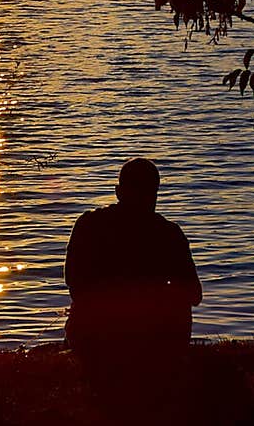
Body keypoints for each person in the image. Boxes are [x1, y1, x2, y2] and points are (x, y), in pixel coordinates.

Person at [64, 158, 202, 370]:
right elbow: (194, 295)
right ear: (155, 193)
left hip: (94, 343)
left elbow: (74, 284)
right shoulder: (169, 233)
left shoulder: (88, 225)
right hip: (157, 344)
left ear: (118, 192)